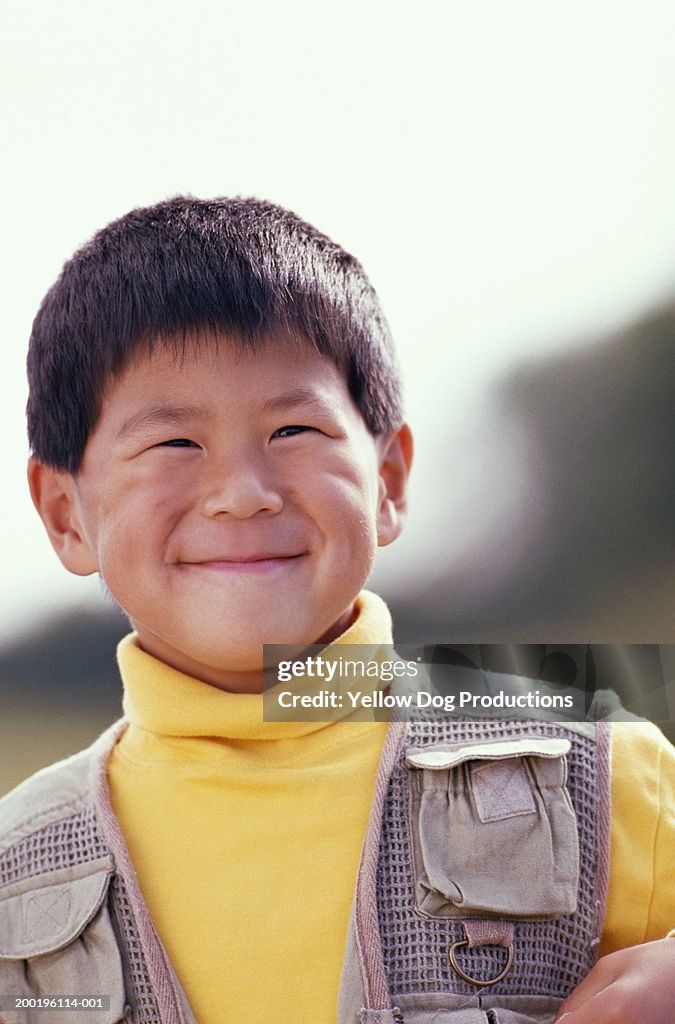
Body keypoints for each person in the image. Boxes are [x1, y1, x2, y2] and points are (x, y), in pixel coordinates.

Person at [0, 196, 672, 1024]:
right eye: (173, 443)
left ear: (388, 479)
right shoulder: (13, 872)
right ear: (66, 514)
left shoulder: (601, 770)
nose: (242, 494)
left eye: (292, 430)